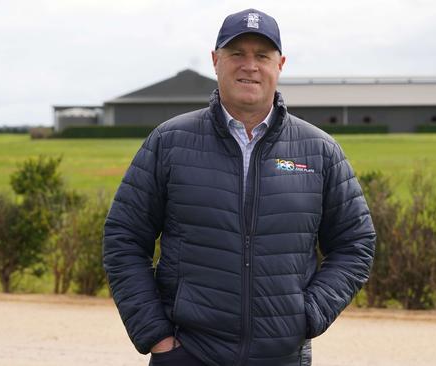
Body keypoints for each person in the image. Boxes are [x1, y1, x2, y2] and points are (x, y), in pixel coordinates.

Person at [103, 8, 375, 366]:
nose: (250, 66)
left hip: (283, 357)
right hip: (189, 354)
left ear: (280, 65)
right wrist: (156, 336)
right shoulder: (169, 142)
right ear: (215, 61)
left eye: (262, 55)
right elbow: (123, 237)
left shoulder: (319, 150)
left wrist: (308, 315)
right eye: (236, 54)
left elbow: (355, 243)